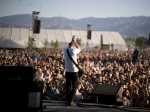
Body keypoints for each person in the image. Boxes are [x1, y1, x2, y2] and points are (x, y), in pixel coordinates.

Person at [63, 35, 81, 106]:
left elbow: (69, 46)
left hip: (67, 71)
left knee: (68, 86)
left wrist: (72, 41)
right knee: (75, 85)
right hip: (74, 71)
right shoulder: (74, 50)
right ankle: (71, 100)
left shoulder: (65, 50)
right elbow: (79, 48)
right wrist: (75, 41)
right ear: (73, 46)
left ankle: (68, 100)